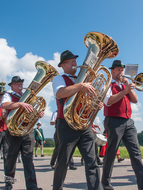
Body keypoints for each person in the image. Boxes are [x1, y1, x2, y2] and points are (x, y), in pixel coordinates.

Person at [52, 50, 103, 190]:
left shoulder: (85, 79)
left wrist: (96, 103)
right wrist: (80, 86)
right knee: (63, 162)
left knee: (92, 162)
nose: (75, 63)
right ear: (62, 65)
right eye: (71, 61)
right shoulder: (59, 78)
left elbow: (88, 101)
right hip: (66, 125)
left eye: (75, 61)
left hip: (84, 126)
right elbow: (60, 93)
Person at [102, 60, 143, 190]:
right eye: (118, 70)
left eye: (122, 70)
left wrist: (129, 88)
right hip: (113, 120)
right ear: (112, 71)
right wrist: (125, 91)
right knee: (111, 152)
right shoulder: (107, 84)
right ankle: (105, 183)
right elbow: (108, 101)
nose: (121, 72)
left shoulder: (124, 85)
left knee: (136, 152)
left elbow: (135, 100)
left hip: (128, 121)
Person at [1, 76, 43, 190]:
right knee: (11, 157)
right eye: (17, 84)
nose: (20, 85)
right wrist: (20, 104)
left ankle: (32, 186)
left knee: (28, 158)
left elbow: (31, 110)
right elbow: (3, 105)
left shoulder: (27, 95)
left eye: (21, 83)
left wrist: (37, 113)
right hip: (14, 130)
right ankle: (8, 183)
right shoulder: (8, 95)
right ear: (12, 86)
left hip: (27, 130)